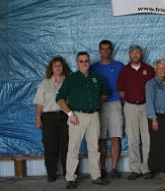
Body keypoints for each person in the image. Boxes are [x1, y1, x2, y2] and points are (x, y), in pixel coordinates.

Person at [56, 52, 109, 189]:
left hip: (94, 116)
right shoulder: (71, 79)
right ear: (77, 63)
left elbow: (105, 93)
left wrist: (95, 104)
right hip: (77, 117)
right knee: (73, 148)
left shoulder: (96, 77)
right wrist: (70, 114)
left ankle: (96, 176)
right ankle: (70, 177)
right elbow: (60, 99)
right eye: (81, 61)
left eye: (86, 61)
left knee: (94, 148)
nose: (84, 63)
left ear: (89, 62)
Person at [117, 45, 155, 180]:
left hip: (146, 106)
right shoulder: (124, 71)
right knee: (133, 139)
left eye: (137, 52)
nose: (135, 55)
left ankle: (147, 168)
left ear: (141, 54)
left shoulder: (149, 70)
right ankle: (135, 169)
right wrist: (131, 99)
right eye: (132, 53)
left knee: (147, 139)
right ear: (129, 55)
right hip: (130, 107)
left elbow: (154, 89)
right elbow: (121, 90)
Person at [33, 56, 71, 182]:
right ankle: (51, 174)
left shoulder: (69, 82)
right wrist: (38, 117)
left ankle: (69, 174)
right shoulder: (45, 83)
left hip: (66, 117)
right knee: (50, 147)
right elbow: (39, 102)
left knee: (67, 146)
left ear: (63, 68)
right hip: (49, 118)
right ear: (52, 68)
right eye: (55, 66)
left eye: (60, 66)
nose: (58, 68)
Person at [91, 40, 124, 178]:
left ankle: (114, 168)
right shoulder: (93, 68)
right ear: (99, 51)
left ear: (110, 50)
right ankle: (102, 168)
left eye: (107, 49)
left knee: (115, 137)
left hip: (115, 103)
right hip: (99, 105)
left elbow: (125, 84)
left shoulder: (119, 66)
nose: (105, 51)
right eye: (102, 49)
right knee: (101, 139)